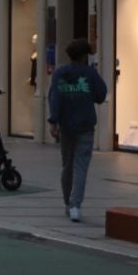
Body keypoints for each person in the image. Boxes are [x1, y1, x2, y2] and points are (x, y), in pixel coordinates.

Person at [47, 39, 108, 223]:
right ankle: (75, 205)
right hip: (85, 124)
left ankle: (68, 202)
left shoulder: (60, 73)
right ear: (84, 56)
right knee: (81, 166)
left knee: (67, 165)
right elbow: (101, 95)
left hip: (66, 126)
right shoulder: (90, 73)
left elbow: (54, 97)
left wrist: (54, 121)